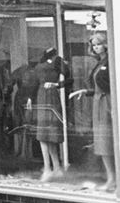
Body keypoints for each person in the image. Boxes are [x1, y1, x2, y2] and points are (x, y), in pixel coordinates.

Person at [71, 32, 115, 191]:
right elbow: (97, 86)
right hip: (99, 102)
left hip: (107, 103)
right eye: (94, 45)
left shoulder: (111, 61)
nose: (96, 47)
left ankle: (114, 178)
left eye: (99, 44)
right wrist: (85, 91)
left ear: (105, 44)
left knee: (109, 140)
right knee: (102, 141)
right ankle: (111, 177)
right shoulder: (99, 62)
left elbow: (112, 84)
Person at [30, 47, 71, 182]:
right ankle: (51, 167)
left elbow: (69, 78)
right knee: (43, 134)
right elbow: (34, 83)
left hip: (52, 97)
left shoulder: (57, 61)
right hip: (41, 96)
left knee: (51, 134)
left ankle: (52, 168)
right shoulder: (41, 63)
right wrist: (30, 98)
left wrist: (57, 85)